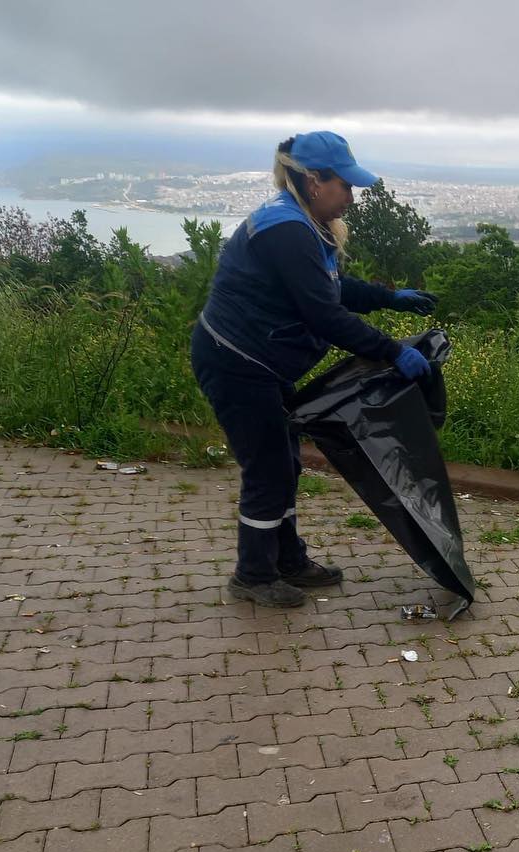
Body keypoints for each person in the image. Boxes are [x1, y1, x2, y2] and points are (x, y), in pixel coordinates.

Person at [191, 132, 437, 608]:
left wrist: (390, 298)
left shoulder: (304, 226)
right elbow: (323, 315)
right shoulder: (285, 230)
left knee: (284, 464)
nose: (351, 196)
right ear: (313, 180)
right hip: (236, 362)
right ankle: (254, 575)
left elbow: (331, 288)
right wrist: (391, 351)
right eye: (344, 185)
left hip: (259, 362)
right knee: (268, 469)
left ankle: (288, 561)